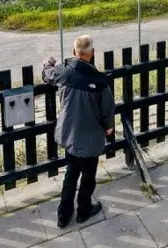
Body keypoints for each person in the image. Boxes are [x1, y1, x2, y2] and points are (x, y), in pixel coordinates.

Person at [41, 35, 115, 228]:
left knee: (71, 174)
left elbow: (47, 74)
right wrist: (109, 127)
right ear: (92, 54)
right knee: (89, 175)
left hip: (71, 133)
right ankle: (84, 210)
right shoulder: (100, 81)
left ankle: (63, 216)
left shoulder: (64, 73)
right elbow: (107, 110)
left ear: (74, 52)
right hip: (91, 136)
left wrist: (48, 63)